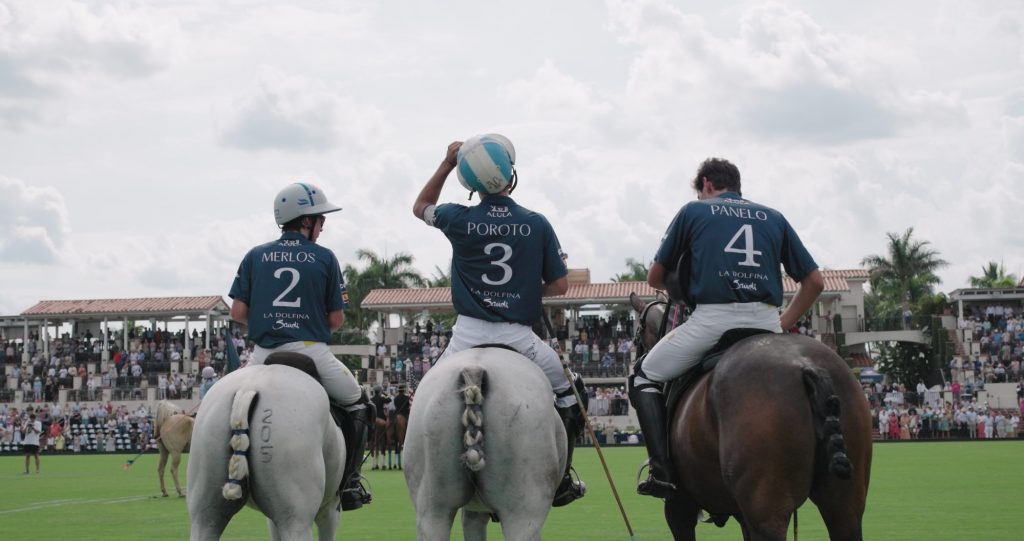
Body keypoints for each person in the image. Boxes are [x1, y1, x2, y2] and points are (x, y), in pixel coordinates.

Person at [629, 157, 824, 498]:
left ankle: (661, 471)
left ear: (706, 184)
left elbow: (655, 279)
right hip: (766, 322)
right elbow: (815, 282)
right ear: (736, 185)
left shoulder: (693, 211)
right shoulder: (774, 217)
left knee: (643, 375)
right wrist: (783, 323)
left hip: (712, 321)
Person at [412, 134, 586, 507]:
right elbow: (559, 285)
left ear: (471, 185)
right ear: (511, 175)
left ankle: (422, 474)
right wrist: (526, 288)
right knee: (571, 397)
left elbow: (421, 206)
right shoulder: (536, 223)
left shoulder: (456, 217)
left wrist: (446, 162)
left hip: (465, 337)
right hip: (519, 339)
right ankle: (564, 476)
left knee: (422, 400)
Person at [229, 182, 373, 511]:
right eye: (320, 220)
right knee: (357, 402)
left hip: (263, 354)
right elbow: (336, 320)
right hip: (311, 351)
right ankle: (350, 482)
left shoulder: (255, 255)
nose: (323, 226)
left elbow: (237, 312)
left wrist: (271, 319)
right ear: (305, 221)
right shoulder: (324, 258)